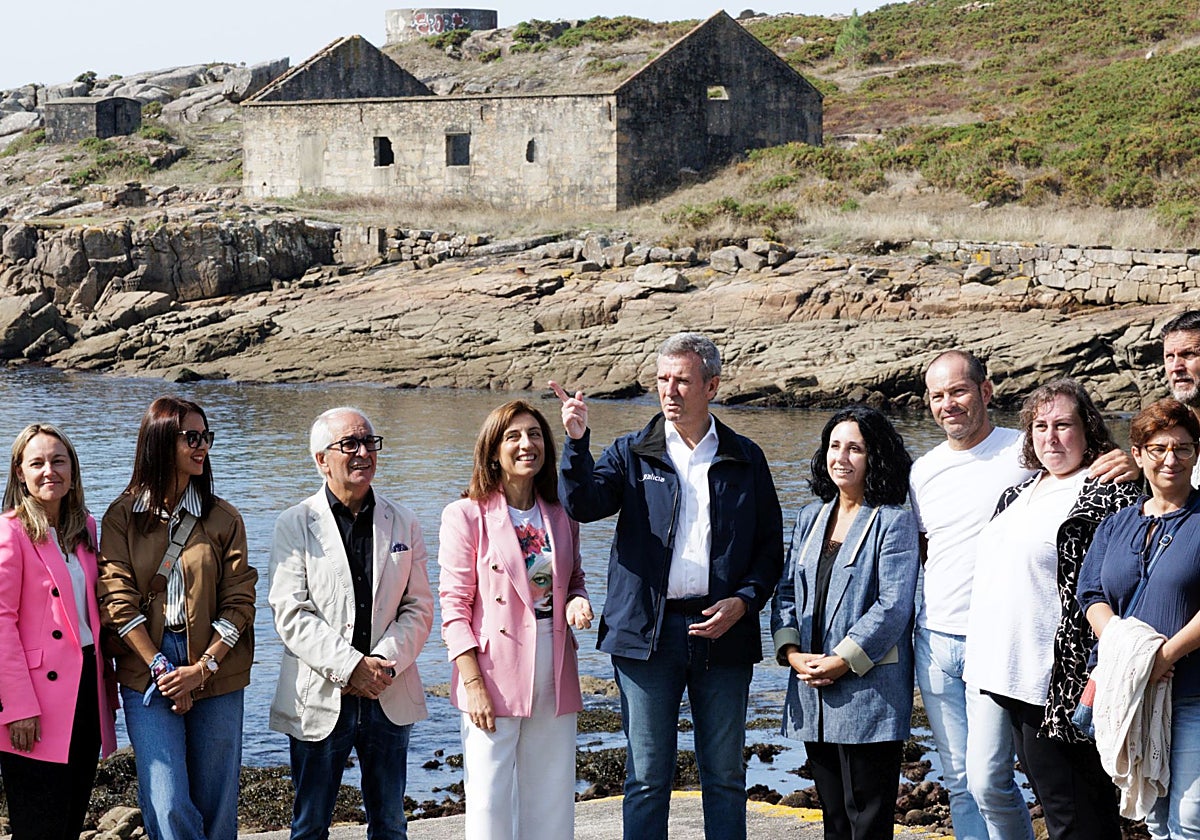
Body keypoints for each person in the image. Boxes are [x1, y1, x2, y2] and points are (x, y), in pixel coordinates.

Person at [551, 331, 784, 840]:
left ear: (712, 386)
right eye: (662, 380)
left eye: (682, 380)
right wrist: (575, 444)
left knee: (725, 777)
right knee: (647, 778)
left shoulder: (746, 458)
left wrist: (744, 603)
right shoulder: (632, 452)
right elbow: (583, 504)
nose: (669, 391)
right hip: (645, 638)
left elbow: (770, 550)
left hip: (724, 634)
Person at [909, 350, 1134, 840]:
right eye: (1040, 427)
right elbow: (927, 549)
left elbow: (1125, 574)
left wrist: (1133, 457)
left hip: (1058, 670)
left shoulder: (1102, 485)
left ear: (986, 392)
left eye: (1063, 426)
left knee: (1068, 797)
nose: (1050, 437)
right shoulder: (1014, 487)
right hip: (987, 659)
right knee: (981, 780)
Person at [269, 406, 433, 840]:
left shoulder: (404, 519)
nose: (363, 452)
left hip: (388, 689)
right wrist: (350, 667)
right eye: (350, 444)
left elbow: (418, 607)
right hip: (322, 693)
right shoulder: (295, 523)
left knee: (391, 824)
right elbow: (290, 612)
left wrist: (380, 663)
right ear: (321, 459)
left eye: (369, 442)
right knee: (309, 826)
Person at [98, 397, 257, 840]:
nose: (202, 445)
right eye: (192, 437)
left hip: (216, 665)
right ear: (161, 442)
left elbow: (240, 600)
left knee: (218, 803)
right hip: (146, 665)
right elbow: (117, 599)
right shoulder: (121, 519)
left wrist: (202, 668)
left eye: (206, 436)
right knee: (166, 802)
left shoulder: (223, 518)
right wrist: (162, 667)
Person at [438, 399, 593, 840]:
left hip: (554, 661)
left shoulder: (561, 513)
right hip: (491, 671)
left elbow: (572, 578)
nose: (528, 444)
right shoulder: (465, 515)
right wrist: (472, 685)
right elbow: (454, 608)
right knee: (489, 798)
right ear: (493, 451)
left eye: (536, 435)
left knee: (551, 793)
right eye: (514, 436)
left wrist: (576, 601)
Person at [771, 405, 918, 840]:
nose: (842, 457)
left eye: (855, 448)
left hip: (869, 691)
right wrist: (792, 653)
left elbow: (894, 606)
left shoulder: (894, 519)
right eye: (835, 446)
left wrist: (840, 660)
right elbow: (785, 592)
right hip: (811, 690)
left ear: (876, 457)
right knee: (833, 819)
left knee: (868, 821)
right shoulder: (809, 517)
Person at [1079, 398, 1200, 838]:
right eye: (1158, 448)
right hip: (1129, 689)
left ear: (1196, 453)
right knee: (1151, 815)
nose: (1171, 459)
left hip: (1191, 691)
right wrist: (1122, 649)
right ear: (1137, 455)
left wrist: (1162, 657)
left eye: (1183, 448)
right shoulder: (1116, 524)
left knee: (1189, 820)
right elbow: (1090, 592)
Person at [0, 423, 118, 840]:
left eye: (58, 460)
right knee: (38, 828)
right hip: (35, 699)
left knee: (69, 822)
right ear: (20, 473)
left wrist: (109, 689)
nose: (49, 471)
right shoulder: (10, 531)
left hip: (84, 688)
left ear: (72, 469)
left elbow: (92, 615)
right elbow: (1, 624)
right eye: (37, 463)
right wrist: (17, 708)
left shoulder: (83, 527)